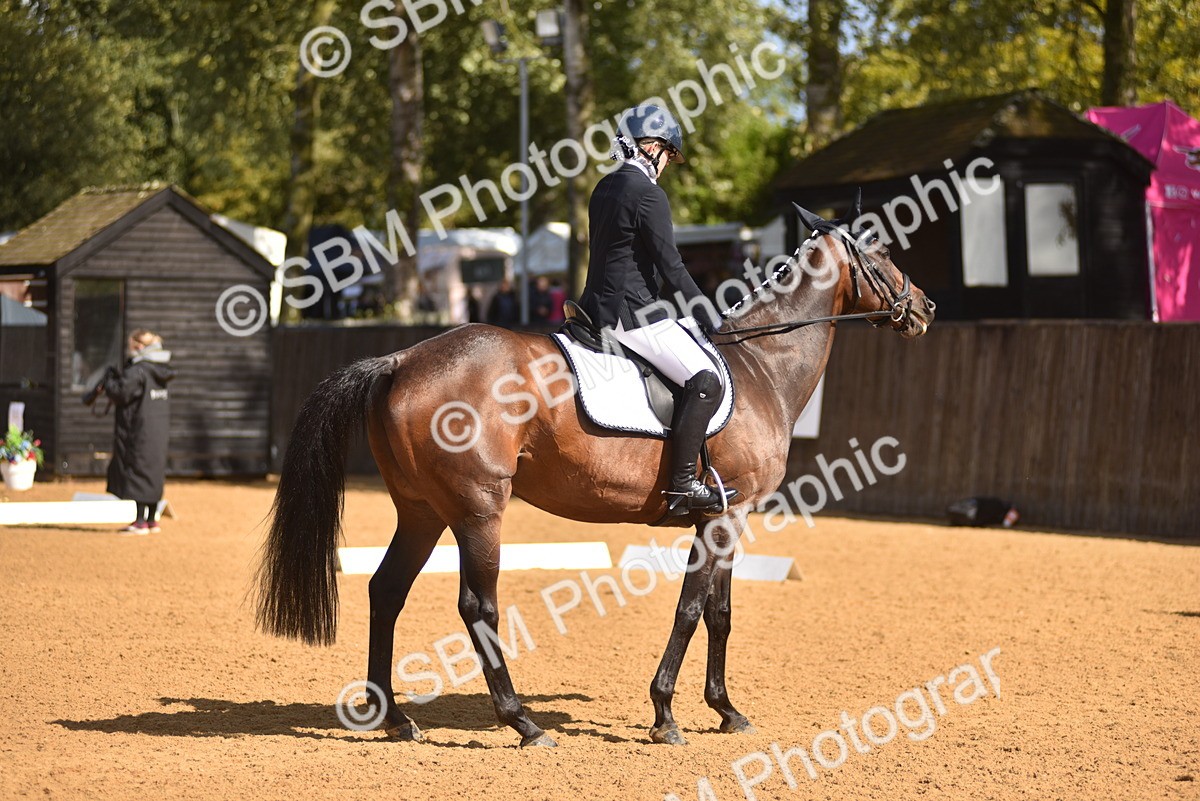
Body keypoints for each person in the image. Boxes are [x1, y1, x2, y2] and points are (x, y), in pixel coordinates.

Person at [579, 104, 737, 516]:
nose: (668, 163)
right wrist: (709, 314)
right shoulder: (649, 194)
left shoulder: (603, 188)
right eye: (668, 154)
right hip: (631, 316)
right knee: (705, 380)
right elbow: (671, 268)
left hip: (592, 308)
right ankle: (683, 486)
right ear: (652, 147)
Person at [99, 330, 174, 534]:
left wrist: (109, 382)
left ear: (139, 347)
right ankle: (151, 520)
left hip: (138, 430)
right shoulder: (161, 370)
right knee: (153, 470)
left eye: (131, 345)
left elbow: (120, 393)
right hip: (158, 429)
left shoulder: (138, 371)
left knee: (138, 469)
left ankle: (139, 521)